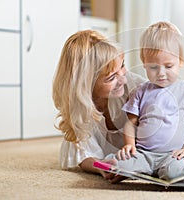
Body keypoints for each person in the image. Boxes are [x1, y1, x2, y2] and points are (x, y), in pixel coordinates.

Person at [106, 22, 184, 181]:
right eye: (153, 67)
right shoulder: (140, 91)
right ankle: (141, 169)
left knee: (173, 172)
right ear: (144, 63)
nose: (161, 73)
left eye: (168, 66)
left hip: (173, 155)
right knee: (119, 164)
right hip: (143, 154)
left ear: (181, 61)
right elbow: (131, 123)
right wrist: (129, 145)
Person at [52, 30, 145, 182]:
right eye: (111, 77)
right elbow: (83, 155)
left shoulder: (139, 88)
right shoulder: (81, 108)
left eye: (122, 66)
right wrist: (100, 166)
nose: (123, 79)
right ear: (86, 84)